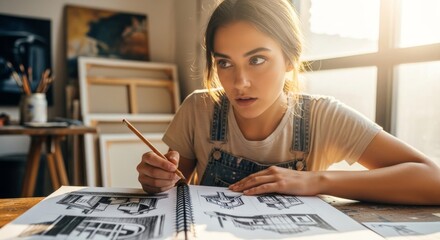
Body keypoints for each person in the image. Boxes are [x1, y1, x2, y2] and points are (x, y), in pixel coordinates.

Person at [137, 0, 440, 204]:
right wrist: (157, 181)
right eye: (225, 63)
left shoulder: (323, 116)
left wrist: (317, 181)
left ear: (290, 59)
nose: (239, 83)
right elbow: (175, 186)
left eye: (257, 59)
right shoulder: (199, 109)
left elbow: (433, 179)